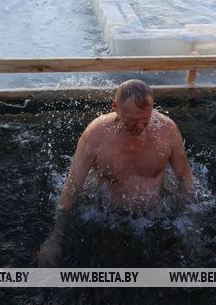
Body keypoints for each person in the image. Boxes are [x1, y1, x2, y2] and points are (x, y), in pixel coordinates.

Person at [37, 79, 196, 266]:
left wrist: (189, 226)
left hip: (156, 219)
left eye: (145, 119)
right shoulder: (96, 135)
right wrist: (55, 239)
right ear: (115, 107)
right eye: (132, 121)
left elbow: (185, 177)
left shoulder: (167, 130)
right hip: (107, 219)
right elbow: (73, 185)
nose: (139, 127)